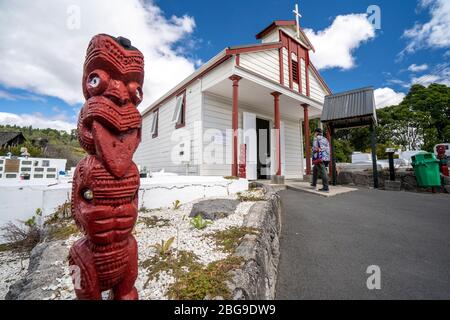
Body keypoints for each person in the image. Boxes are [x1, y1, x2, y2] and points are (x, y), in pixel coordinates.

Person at [311, 128, 330, 192]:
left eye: (314, 133)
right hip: (326, 158)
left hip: (320, 157)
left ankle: (326, 187)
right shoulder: (325, 139)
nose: (314, 134)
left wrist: (313, 151)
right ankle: (313, 184)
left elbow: (314, 148)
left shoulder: (316, 138)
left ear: (316, 132)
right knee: (315, 169)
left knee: (323, 172)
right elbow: (327, 148)